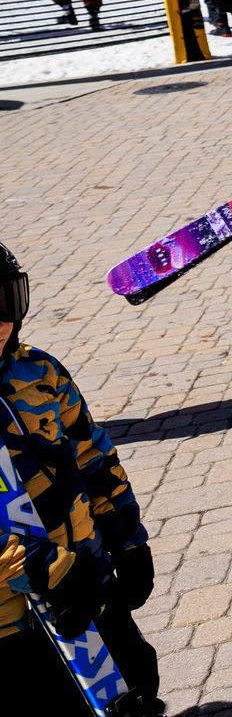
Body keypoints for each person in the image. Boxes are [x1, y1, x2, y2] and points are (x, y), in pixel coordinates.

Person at [0, 242, 166, 717]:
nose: (1, 323)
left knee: (133, 682)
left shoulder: (36, 371)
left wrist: (128, 540)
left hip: (86, 576)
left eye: (6, 302)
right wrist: (42, 569)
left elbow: (92, 454)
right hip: (12, 614)